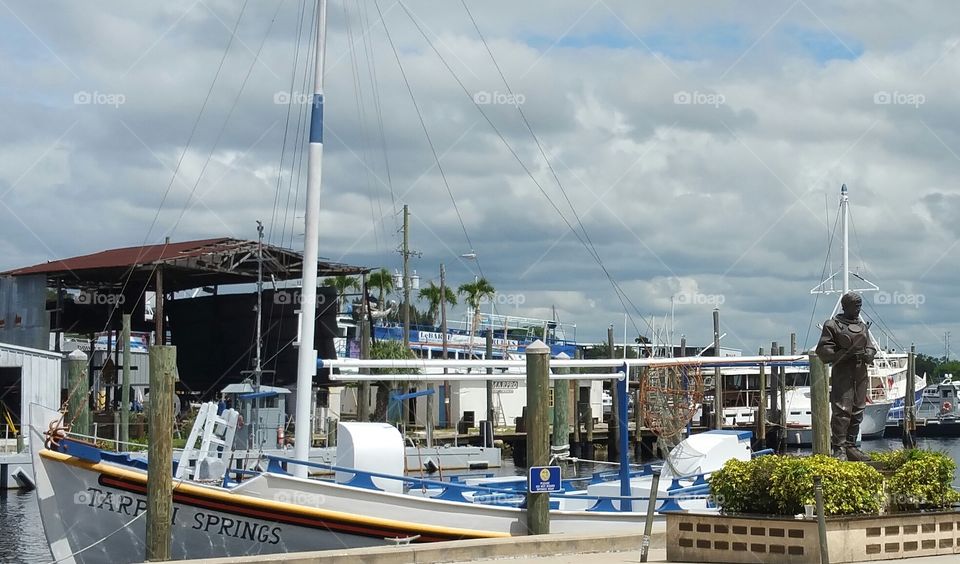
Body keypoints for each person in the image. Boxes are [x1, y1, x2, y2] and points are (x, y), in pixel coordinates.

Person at [815, 292, 876, 462]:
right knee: (842, 410)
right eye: (855, 306)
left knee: (858, 409)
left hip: (860, 372)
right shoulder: (832, 325)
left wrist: (867, 354)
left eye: (859, 306)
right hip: (843, 372)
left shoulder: (862, 327)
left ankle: (850, 445)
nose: (858, 309)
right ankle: (839, 447)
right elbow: (823, 350)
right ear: (845, 306)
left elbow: (871, 347)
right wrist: (842, 353)